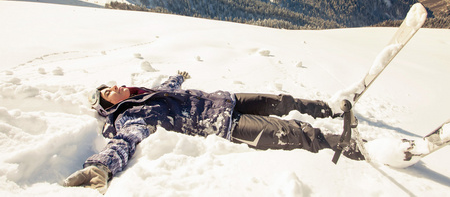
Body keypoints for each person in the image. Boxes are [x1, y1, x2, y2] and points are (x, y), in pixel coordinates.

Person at [64, 71, 364, 194]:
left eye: (111, 85)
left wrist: (177, 77)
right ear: (109, 107)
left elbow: (169, 89)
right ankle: (351, 146)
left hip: (226, 100)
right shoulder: (131, 115)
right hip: (224, 126)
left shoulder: (145, 93)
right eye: (107, 93)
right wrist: (101, 165)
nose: (113, 87)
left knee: (283, 102)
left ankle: (330, 108)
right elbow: (125, 140)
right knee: (293, 132)